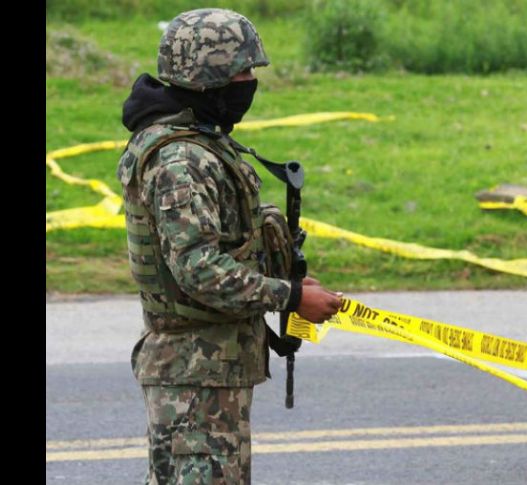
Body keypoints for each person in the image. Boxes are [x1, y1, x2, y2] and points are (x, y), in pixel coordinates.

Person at [116, 8, 342, 484]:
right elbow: (199, 271)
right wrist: (292, 297)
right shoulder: (181, 158)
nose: (249, 82)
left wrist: (284, 278)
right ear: (208, 77)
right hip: (194, 376)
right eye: (241, 71)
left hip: (207, 367)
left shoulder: (198, 141)